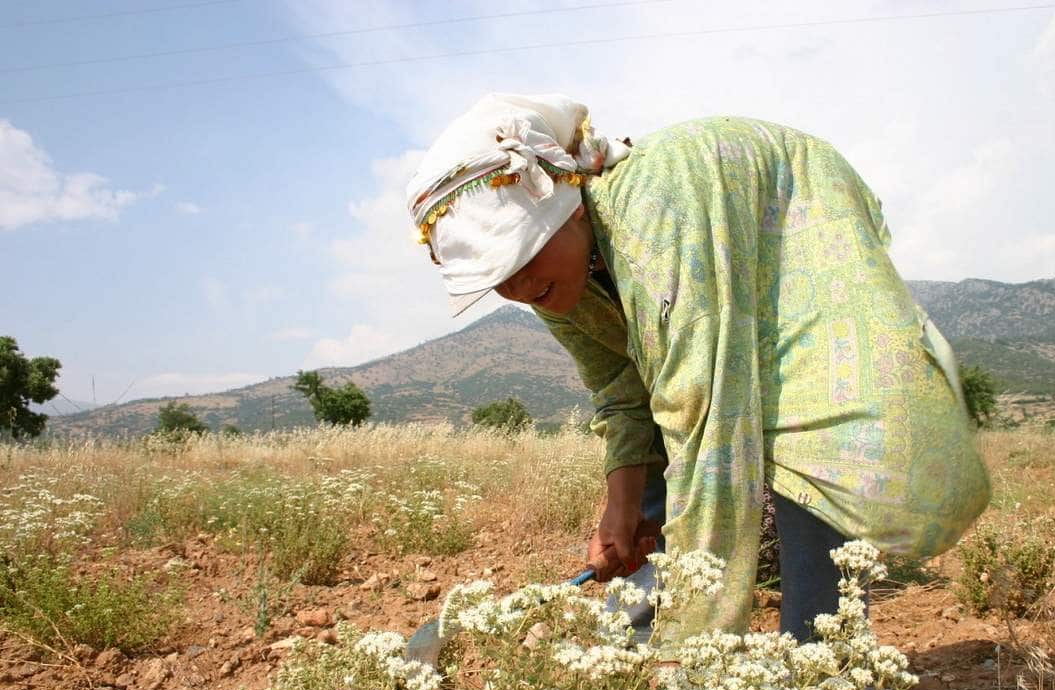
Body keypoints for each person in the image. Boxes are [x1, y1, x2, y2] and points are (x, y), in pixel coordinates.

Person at [406, 93, 990, 647]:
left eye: (524, 256)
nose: (518, 285)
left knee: (807, 439)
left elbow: (708, 414)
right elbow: (622, 393)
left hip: (793, 217)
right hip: (704, 287)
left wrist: (693, 642)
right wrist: (621, 508)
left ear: (568, 205)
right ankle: (637, 645)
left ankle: (820, 669)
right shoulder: (556, 287)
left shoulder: (654, 215)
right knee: (664, 451)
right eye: (498, 278)